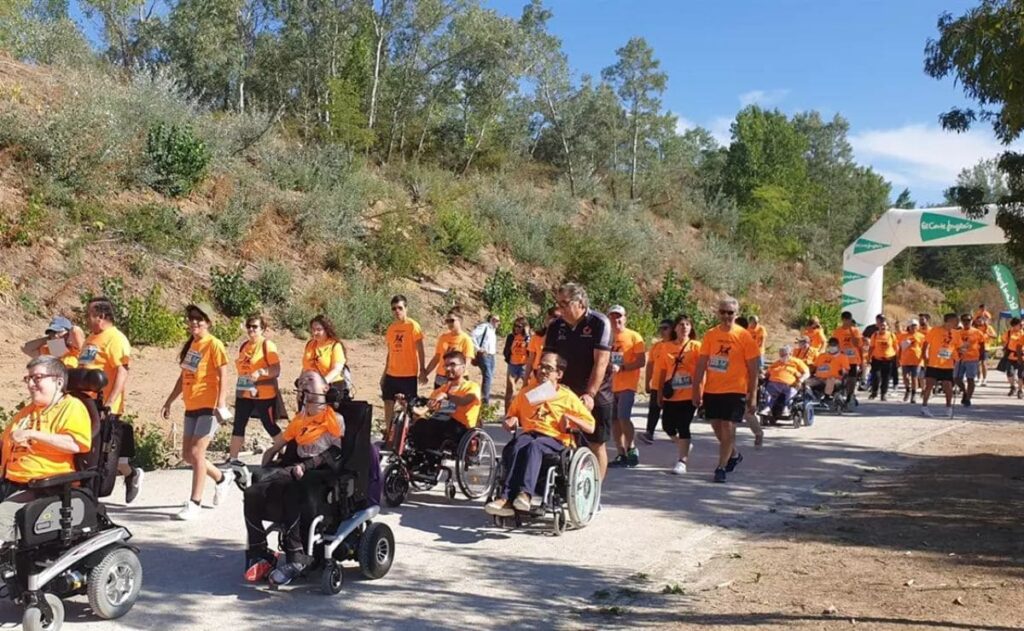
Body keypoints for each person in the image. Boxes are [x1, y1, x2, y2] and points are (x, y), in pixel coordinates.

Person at [240, 371, 345, 585]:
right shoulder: (300, 420)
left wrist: (307, 465)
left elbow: (336, 453)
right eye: (302, 380)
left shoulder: (335, 419)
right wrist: (265, 465)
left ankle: (296, 557)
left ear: (325, 388)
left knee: (295, 486)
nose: (305, 382)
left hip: (321, 472)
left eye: (310, 379)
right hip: (296, 469)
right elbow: (276, 447)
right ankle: (260, 551)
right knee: (252, 490)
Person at [484, 352, 595, 517]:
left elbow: (590, 426)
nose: (543, 370)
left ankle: (525, 494)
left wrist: (570, 417)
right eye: (541, 366)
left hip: (556, 440)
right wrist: (511, 420)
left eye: (548, 368)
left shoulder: (567, 396)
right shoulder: (528, 393)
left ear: (559, 374)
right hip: (530, 435)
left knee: (534, 447)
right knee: (515, 446)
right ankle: (505, 499)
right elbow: (511, 415)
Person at [0, 356, 92, 544]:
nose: (31, 384)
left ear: (58, 382)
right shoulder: (27, 412)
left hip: (45, 487)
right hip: (11, 483)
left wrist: (33, 434)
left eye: (37, 378)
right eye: (28, 379)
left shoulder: (71, 407)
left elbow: (77, 444)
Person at [161, 303, 235, 520]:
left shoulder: (214, 344)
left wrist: (220, 403)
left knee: (196, 453)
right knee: (187, 455)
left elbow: (224, 375)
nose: (194, 322)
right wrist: (169, 401)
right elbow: (183, 376)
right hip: (191, 405)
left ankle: (195, 502)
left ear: (208, 322)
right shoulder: (192, 345)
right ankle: (222, 478)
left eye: (199, 319)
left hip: (209, 405)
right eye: (191, 318)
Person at [543, 283, 612, 481]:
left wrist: (590, 394)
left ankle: (594, 491)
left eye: (565, 303)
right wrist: (541, 389)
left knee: (596, 443)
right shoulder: (556, 326)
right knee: (559, 437)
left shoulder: (600, 323)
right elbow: (547, 360)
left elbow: (601, 363)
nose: (560, 308)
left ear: (580, 302)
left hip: (597, 392)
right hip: (564, 391)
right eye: (558, 303)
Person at [78, 297, 143, 504]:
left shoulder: (115, 339)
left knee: (100, 455)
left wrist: (110, 401)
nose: (86, 318)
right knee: (85, 450)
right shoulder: (91, 338)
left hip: (103, 406)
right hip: (83, 404)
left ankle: (95, 497)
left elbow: (122, 373)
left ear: (102, 316)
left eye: (90, 314)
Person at [693, 297, 760, 484]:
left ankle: (720, 467)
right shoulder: (710, 335)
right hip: (712, 389)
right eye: (722, 312)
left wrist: (752, 396)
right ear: (718, 313)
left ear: (736, 314)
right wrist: (696, 389)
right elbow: (701, 364)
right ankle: (734, 454)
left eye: (730, 313)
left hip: (735, 389)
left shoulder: (744, 336)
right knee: (716, 425)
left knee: (728, 428)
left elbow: (754, 369)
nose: (726, 316)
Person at [651, 316, 702, 474]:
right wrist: (659, 393)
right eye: (681, 324)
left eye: (687, 324)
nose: (684, 327)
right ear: (675, 328)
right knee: (667, 425)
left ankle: (682, 461)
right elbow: (661, 371)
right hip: (671, 393)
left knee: (683, 425)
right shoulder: (666, 347)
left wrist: (699, 392)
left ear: (691, 328)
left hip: (689, 393)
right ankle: (683, 444)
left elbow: (702, 371)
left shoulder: (696, 347)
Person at [229, 315, 283, 463]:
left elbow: (276, 369)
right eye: (249, 326)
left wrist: (261, 372)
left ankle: (283, 451)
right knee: (239, 424)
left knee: (269, 424)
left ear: (262, 329)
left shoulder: (267, 345)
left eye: (255, 326)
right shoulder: (244, 346)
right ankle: (232, 459)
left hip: (264, 393)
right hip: (244, 391)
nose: (251, 329)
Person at [409, 350, 481, 450]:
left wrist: (447, 396)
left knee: (436, 424)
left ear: (463, 367)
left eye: (452, 365)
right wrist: (409, 406)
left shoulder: (472, 387)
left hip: (462, 430)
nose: (448, 368)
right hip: (442, 425)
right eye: (446, 365)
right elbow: (428, 407)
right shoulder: (442, 388)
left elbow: (464, 401)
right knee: (420, 425)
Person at [607, 305, 646, 469]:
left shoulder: (634, 337)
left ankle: (631, 448)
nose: (616, 320)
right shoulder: (606, 337)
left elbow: (641, 361)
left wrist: (623, 367)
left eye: (619, 317)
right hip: (609, 386)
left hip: (627, 385)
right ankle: (621, 452)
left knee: (623, 417)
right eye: (612, 317)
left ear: (625, 318)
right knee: (614, 421)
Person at [381, 295, 427, 429]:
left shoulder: (413, 326)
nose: (397, 311)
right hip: (392, 373)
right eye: (394, 308)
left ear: (406, 308)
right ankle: (389, 431)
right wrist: (384, 374)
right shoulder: (391, 328)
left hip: (408, 374)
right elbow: (390, 353)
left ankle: (414, 431)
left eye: (400, 308)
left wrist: (422, 370)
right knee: (388, 402)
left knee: (410, 405)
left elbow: (421, 349)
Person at [639, 319, 675, 445]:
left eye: (665, 328)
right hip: (656, 384)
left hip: (672, 385)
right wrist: (647, 381)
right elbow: (650, 365)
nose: (662, 331)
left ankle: (675, 435)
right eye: (660, 328)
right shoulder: (657, 346)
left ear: (673, 329)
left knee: (671, 412)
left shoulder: (676, 345)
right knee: (654, 409)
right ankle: (649, 432)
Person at [920, 313, 961, 418]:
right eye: (955, 321)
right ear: (948, 321)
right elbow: (926, 343)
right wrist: (924, 355)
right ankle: (924, 407)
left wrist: (962, 350)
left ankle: (948, 408)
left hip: (948, 364)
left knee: (948, 386)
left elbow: (958, 347)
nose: (957, 323)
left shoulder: (956, 333)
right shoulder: (935, 330)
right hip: (934, 362)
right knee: (929, 385)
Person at [423, 309, 475, 389]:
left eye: (452, 320)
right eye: (447, 321)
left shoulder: (466, 339)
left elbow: (467, 361)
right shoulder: (443, 337)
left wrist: (457, 378)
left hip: (457, 378)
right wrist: (425, 373)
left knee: (456, 401)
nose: (449, 323)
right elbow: (436, 358)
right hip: (441, 377)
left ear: (460, 321)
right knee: (438, 400)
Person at [303, 315, 348, 395]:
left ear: (327, 330)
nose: (315, 332)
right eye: (313, 329)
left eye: (318, 330)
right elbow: (305, 367)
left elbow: (337, 369)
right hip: (310, 387)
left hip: (332, 387)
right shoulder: (310, 344)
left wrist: (322, 383)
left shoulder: (335, 345)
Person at [761, 346, 810, 416]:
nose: (781, 356)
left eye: (783, 354)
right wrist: (762, 375)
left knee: (790, 393)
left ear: (790, 353)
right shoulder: (776, 363)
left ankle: (786, 407)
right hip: (773, 384)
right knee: (767, 393)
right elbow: (767, 373)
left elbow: (807, 372)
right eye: (780, 355)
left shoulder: (797, 362)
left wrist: (801, 380)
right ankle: (768, 408)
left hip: (790, 385)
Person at [832, 311, 864, 411]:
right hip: (841, 358)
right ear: (842, 320)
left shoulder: (855, 330)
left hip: (853, 359)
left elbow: (858, 345)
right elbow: (834, 344)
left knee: (852, 378)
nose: (847, 322)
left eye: (849, 320)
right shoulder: (837, 331)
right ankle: (838, 395)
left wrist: (851, 332)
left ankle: (850, 395)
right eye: (845, 320)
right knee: (840, 378)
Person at [524, 307, 561, 388]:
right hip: (536, 375)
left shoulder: (563, 339)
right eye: (550, 316)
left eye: (556, 317)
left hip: (552, 378)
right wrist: (525, 380)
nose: (552, 319)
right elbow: (530, 360)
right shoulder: (537, 337)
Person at [955, 315, 986, 407]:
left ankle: (968, 399)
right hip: (960, 358)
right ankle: (964, 392)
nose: (966, 322)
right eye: (964, 320)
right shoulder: (958, 332)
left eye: (968, 320)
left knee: (970, 379)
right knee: (956, 378)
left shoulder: (977, 332)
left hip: (972, 358)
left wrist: (981, 356)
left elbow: (982, 344)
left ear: (972, 321)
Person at [502, 317, 531, 410]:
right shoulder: (511, 337)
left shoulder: (528, 337)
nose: (516, 328)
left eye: (519, 326)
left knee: (528, 389)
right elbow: (506, 349)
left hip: (524, 365)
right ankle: (507, 414)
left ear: (524, 327)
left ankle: (524, 412)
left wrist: (527, 335)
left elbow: (531, 349)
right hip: (513, 364)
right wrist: (508, 358)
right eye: (515, 326)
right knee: (510, 389)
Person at [470, 314, 501, 404]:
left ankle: (484, 399)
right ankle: (484, 402)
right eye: (495, 320)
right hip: (484, 355)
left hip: (491, 356)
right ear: (490, 320)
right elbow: (473, 335)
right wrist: (478, 348)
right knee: (488, 377)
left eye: (498, 321)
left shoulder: (493, 330)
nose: (497, 322)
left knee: (489, 377)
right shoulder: (485, 327)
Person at [866, 317, 897, 401]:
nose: (883, 327)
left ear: (887, 327)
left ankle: (883, 394)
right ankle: (874, 392)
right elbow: (871, 347)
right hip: (877, 359)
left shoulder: (891, 335)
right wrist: (868, 358)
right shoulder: (875, 335)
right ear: (878, 326)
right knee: (876, 376)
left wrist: (896, 359)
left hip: (888, 360)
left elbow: (895, 347)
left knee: (886, 378)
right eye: (881, 325)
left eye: (884, 325)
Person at [898, 320, 926, 404]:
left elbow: (924, 348)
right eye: (912, 326)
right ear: (909, 327)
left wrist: (924, 358)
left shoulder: (921, 336)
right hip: (905, 360)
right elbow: (899, 348)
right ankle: (907, 390)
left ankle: (913, 395)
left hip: (916, 360)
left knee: (914, 378)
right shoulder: (903, 336)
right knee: (905, 377)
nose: (914, 327)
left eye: (915, 326)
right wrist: (898, 359)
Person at [1003, 318, 1024, 397]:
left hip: (1021, 356)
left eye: (1022, 325)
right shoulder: (1008, 333)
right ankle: (1012, 386)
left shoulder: (1023, 333)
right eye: (1020, 325)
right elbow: (1005, 342)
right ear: (1014, 325)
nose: (1022, 326)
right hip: (1011, 356)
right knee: (1010, 373)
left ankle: (1020, 390)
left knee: (1021, 374)